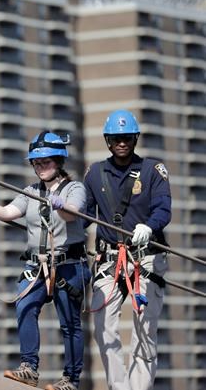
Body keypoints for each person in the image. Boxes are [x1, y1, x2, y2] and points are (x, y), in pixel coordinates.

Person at [0, 131, 90, 390]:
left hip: (68, 265)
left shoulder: (74, 188)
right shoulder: (31, 191)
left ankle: (70, 379)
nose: (41, 167)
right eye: (36, 163)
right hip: (37, 266)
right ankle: (29, 368)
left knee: (69, 323)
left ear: (58, 161)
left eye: (46, 162)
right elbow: (10, 212)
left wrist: (60, 204)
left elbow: (73, 215)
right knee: (24, 306)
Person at [84, 110, 171, 390]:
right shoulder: (95, 173)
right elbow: (85, 215)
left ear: (135, 138)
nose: (121, 142)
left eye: (126, 137)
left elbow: (163, 208)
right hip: (110, 260)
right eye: (116, 138)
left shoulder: (152, 171)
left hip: (146, 259)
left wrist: (150, 226)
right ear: (108, 140)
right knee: (104, 329)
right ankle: (119, 387)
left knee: (144, 330)